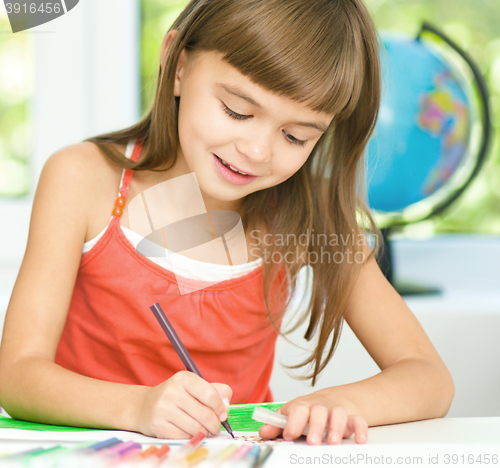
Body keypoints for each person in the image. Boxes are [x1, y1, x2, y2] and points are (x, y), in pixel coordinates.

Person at [0, 0, 454, 446]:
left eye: (296, 136)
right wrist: (137, 407)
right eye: (237, 111)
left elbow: (428, 377)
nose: (257, 151)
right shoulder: (83, 180)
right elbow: (17, 375)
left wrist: (340, 402)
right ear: (178, 65)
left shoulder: (310, 214)